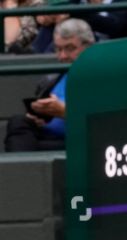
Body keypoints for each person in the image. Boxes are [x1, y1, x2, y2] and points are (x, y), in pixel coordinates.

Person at [4, 17, 90, 153]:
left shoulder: (99, 76)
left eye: (69, 48)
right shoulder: (53, 78)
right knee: (18, 122)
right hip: (46, 135)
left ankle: (22, 171)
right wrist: (39, 117)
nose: (62, 56)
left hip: (78, 141)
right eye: (58, 49)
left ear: (88, 46)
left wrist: (65, 112)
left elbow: (102, 121)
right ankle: (20, 169)